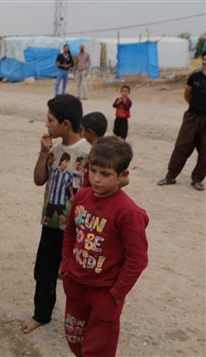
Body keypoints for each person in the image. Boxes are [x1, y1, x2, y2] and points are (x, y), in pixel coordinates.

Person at [61, 136, 149, 357]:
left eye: (105, 174)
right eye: (93, 171)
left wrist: (115, 294)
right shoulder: (81, 197)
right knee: (75, 340)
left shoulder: (128, 213)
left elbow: (137, 259)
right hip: (76, 285)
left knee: (98, 349)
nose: (97, 179)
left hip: (105, 294)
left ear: (123, 176)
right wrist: (67, 267)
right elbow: (71, 232)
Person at [22, 94, 90, 334]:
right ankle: (42, 314)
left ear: (66, 124)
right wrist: (43, 153)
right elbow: (39, 180)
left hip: (77, 229)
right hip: (51, 224)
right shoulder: (54, 150)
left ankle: (83, 320)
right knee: (44, 270)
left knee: (77, 275)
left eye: (50, 120)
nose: (46, 124)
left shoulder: (87, 153)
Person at [157, 50, 206, 191]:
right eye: (203, 58)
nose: (204, 62)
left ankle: (197, 179)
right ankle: (170, 176)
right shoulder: (195, 77)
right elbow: (187, 93)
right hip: (192, 116)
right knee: (182, 145)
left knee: (205, 150)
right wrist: (195, 105)